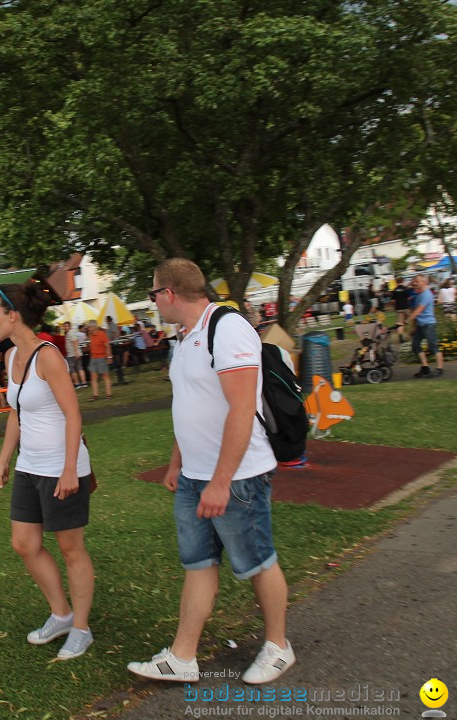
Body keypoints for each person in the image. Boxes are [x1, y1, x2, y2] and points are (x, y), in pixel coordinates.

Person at [128, 258, 293, 685]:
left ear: (169, 294)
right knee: (198, 563)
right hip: (193, 475)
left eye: (152, 294)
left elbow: (242, 408)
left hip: (238, 476)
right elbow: (189, 404)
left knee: (257, 561)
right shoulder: (184, 339)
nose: (153, 304)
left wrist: (221, 482)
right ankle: (183, 656)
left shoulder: (228, 327)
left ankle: (278, 646)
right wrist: (177, 462)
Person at [0, 282, 96, 661]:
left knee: (71, 549)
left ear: (12, 315)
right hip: (29, 465)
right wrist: (4, 460)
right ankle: (62, 615)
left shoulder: (48, 356)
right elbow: (16, 412)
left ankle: (81, 629)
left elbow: (73, 414)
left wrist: (70, 469)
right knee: (24, 544)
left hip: (60, 467)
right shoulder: (10, 357)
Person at [400, 275, 443, 378]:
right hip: (420, 324)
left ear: (424, 282)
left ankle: (439, 369)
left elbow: (417, 311)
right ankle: (425, 368)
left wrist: (405, 322)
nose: (414, 283)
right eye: (414, 281)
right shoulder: (418, 294)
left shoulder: (426, 295)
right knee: (415, 346)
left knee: (433, 346)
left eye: (417, 281)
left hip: (428, 324)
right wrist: (413, 326)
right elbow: (414, 310)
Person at [86, 320, 113, 401]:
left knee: (105, 376)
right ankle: (95, 395)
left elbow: (107, 346)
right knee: (93, 377)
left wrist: (109, 357)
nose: (88, 328)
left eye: (89, 327)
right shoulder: (91, 335)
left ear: (94, 326)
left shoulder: (102, 334)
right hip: (93, 357)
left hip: (102, 357)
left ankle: (108, 394)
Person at [64, 322, 86, 389]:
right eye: (64, 326)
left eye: (66, 326)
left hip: (72, 354)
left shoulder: (70, 333)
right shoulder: (72, 333)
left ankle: (77, 383)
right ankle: (83, 382)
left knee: (73, 369)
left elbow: (75, 342)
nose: (65, 328)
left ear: (69, 326)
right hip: (75, 353)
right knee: (79, 368)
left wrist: (76, 352)